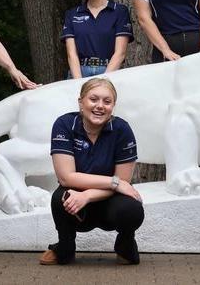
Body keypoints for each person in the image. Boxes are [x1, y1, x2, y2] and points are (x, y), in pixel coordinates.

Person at [39, 78, 144, 265]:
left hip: (109, 201)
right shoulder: (64, 124)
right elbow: (66, 177)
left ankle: (125, 246)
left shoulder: (122, 129)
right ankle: (64, 248)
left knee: (133, 208)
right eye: (93, 99)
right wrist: (115, 182)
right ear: (81, 102)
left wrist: (87, 195)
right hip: (77, 204)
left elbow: (124, 181)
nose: (100, 106)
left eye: (107, 101)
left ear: (113, 106)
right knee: (60, 198)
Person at [61, 0, 133, 78]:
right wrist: (78, 83)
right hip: (79, 73)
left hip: (110, 72)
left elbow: (120, 53)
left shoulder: (119, 11)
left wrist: (104, 81)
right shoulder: (72, 14)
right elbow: (71, 54)